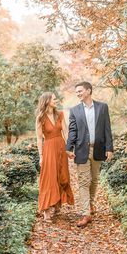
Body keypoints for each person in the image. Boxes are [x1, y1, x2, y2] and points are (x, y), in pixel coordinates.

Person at [66, 81, 113, 227]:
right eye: (77, 92)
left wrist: (109, 148)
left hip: (98, 148)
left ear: (89, 90)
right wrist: (69, 147)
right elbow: (72, 131)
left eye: (80, 91)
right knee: (83, 181)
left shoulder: (102, 107)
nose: (78, 93)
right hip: (81, 149)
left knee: (94, 179)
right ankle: (86, 213)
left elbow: (107, 129)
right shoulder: (74, 110)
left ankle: (91, 203)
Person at [35, 91, 74, 221]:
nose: (56, 101)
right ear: (47, 101)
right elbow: (39, 139)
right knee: (49, 178)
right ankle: (46, 209)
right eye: (54, 99)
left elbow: (66, 132)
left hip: (61, 147)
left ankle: (57, 203)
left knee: (63, 177)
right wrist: (41, 156)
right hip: (49, 149)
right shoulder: (40, 118)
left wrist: (69, 148)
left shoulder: (60, 114)